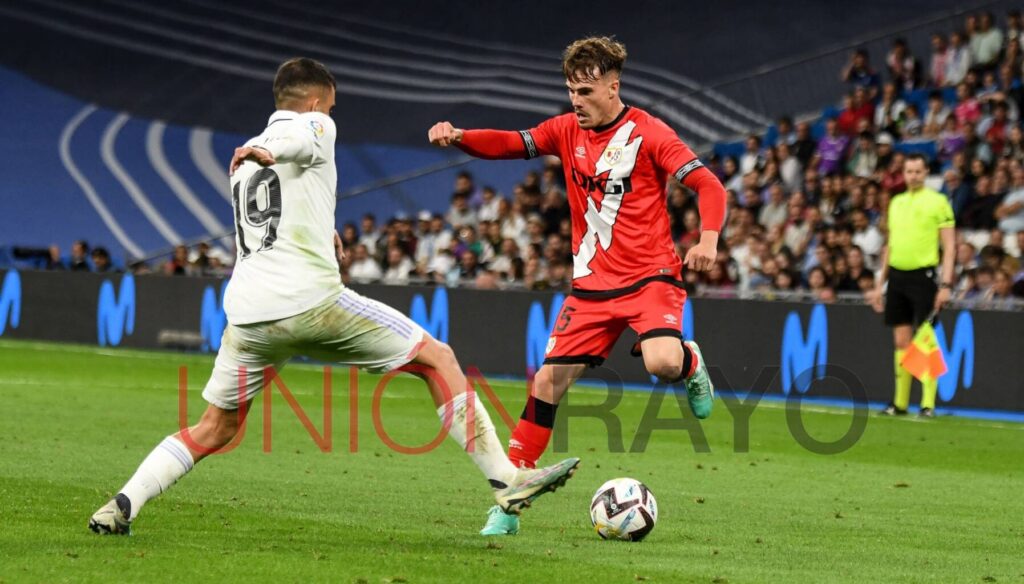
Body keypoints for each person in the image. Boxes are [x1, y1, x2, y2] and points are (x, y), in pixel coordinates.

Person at [89, 58, 578, 536]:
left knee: (214, 427)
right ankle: (506, 480)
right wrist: (275, 152)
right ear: (319, 102)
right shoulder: (313, 128)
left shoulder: (242, 163)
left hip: (248, 316)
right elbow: (301, 140)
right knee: (437, 359)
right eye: (331, 107)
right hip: (310, 303)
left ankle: (122, 504)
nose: (330, 116)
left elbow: (276, 217)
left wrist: (322, 228)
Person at [428, 37, 723, 536]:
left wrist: (709, 239)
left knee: (663, 363)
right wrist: (460, 136)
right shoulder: (565, 131)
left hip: (651, 276)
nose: (576, 101)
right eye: (570, 91)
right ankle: (509, 503)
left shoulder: (650, 133)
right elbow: (511, 143)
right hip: (590, 288)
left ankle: (690, 361)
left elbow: (709, 185)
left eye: (585, 91)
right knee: (546, 384)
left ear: (614, 86)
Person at [870, 153, 956, 418]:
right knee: (901, 339)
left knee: (925, 338)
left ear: (926, 172)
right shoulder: (896, 203)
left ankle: (928, 404)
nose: (914, 176)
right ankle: (900, 403)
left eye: (919, 171)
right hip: (897, 275)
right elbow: (891, 245)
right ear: (904, 174)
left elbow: (950, 245)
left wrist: (946, 283)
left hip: (924, 276)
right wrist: (879, 284)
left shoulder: (939, 201)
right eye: (909, 171)